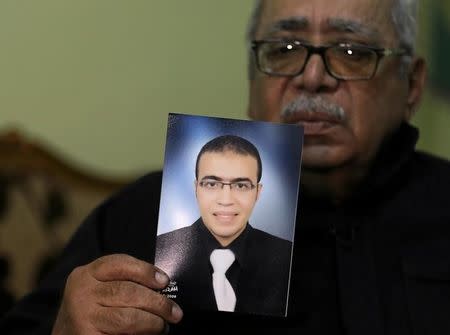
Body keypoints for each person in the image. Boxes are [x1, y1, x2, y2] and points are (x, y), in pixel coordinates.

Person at [1, 0, 450, 334]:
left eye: (352, 51)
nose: (313, 77)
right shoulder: (138, 217)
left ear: (411, 85)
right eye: (283, 49)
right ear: (252, 81)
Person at [155, 135, 292, 316]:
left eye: (241, 186)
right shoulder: (160, 250)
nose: (226, 200)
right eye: (211, 184)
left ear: (258, 192)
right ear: (196, 188)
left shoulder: (287, 256)